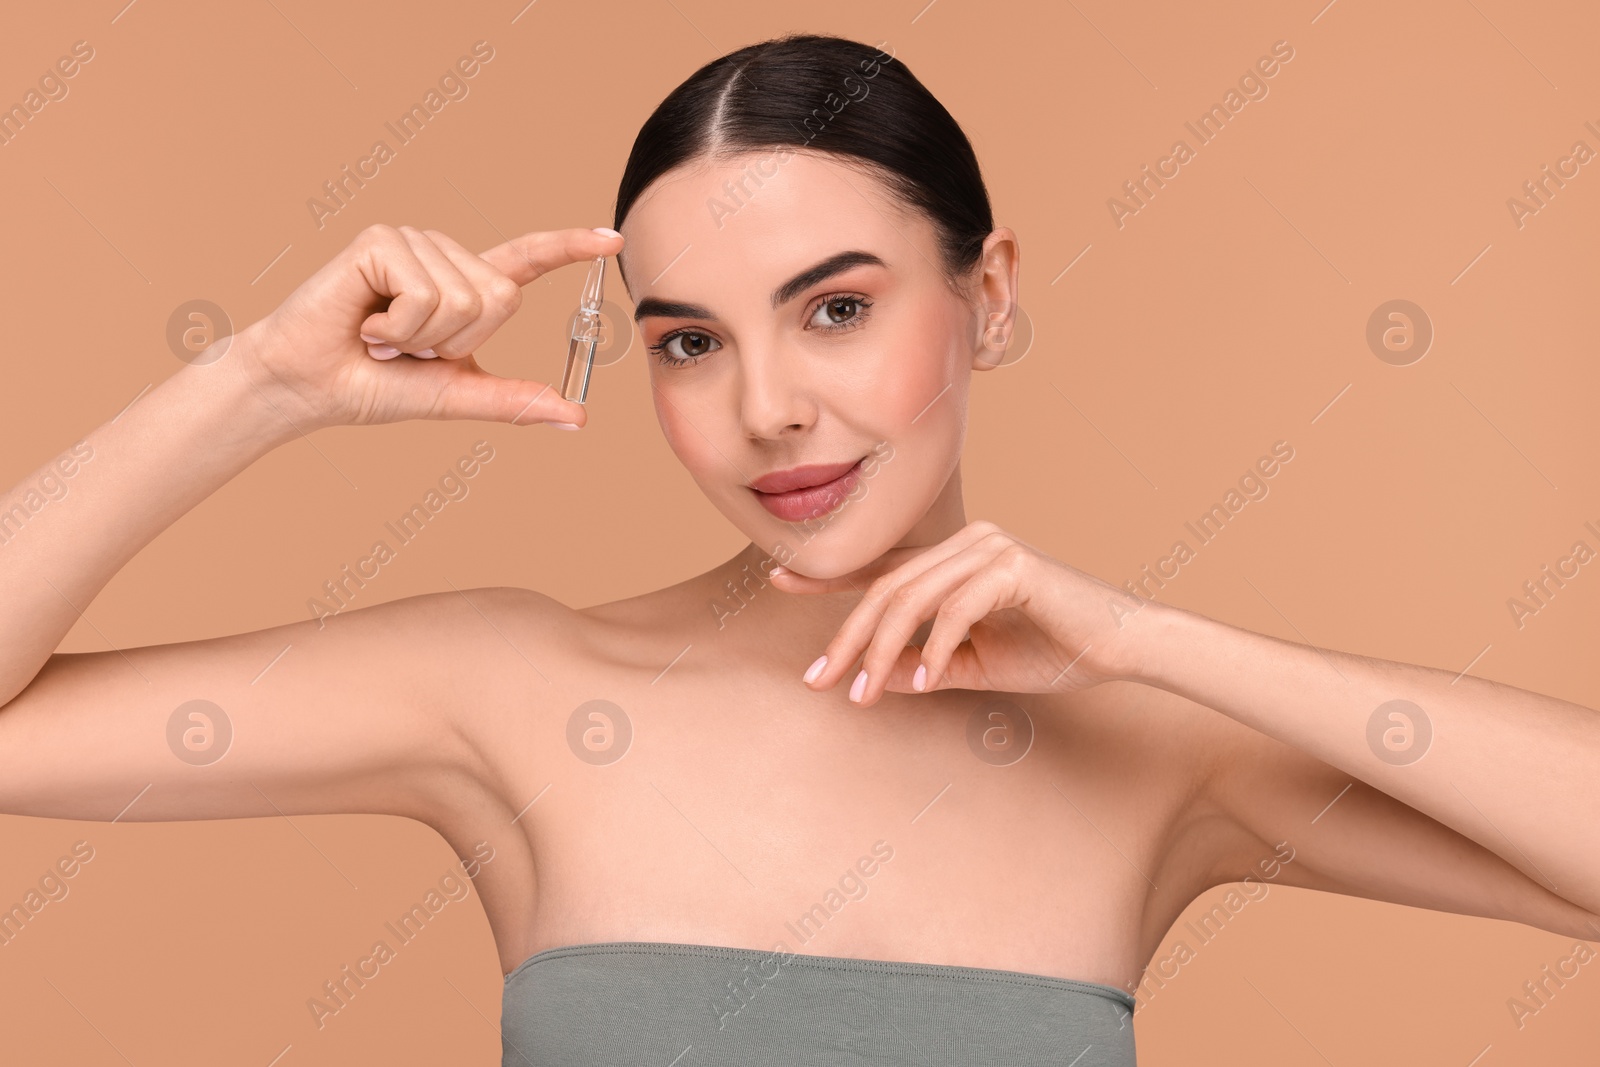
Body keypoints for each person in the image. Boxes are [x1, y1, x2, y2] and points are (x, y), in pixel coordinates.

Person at [2, 32, 1595, 1067]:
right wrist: (259, 383)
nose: (770, 408)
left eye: (838, 309)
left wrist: (1146, 643)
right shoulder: (515, 686)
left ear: (989, 293)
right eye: (688, 344)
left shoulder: (1157, 747)